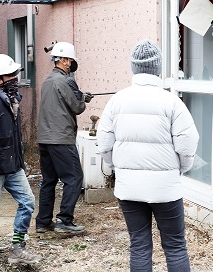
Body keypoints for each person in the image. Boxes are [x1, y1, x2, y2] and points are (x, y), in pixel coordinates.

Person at [96, 39, 199, 272]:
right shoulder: (171, 101)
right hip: (166, 188)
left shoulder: (117, 100)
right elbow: (188, 142)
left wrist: (115, 165)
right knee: (175, 246)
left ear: (134, 68)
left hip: (128, 187)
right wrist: (181, 167)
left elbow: (103, 142)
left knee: (139, 245)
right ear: (158, 68)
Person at [0, 54, 41, 270]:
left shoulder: (12, 101)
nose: (15, 78)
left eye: (16, 74)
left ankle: (17, 248)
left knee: (28, 202)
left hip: (13, 166)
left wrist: (21, 161)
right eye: (11, 75)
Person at [35, 41, 93, 234]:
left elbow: (61, 102)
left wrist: (79, 95)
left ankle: (43, 221)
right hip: (61, 138)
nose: (72, 64)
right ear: (66, 60)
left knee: (49, 180)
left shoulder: (48, 80)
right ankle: (64, 220)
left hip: (44, 138)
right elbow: (77, 107)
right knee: (74, 177)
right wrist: (83, 99)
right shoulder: (67, 80)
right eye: (71, 60)